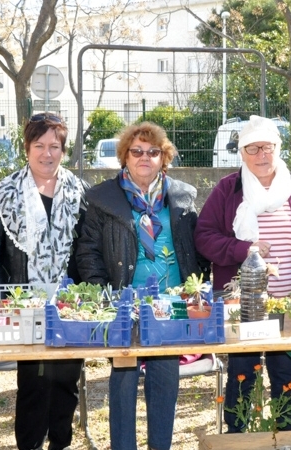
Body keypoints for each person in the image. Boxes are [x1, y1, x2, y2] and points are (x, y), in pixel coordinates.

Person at [76, 122, 209, 450]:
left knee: (165, 381)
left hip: (171, 304)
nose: (145, 157)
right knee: (123, 384)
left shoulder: (181, 196)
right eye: (137, 151)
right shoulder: (102, 199)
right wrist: (105, 298)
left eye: (153, 151)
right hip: (124, 307)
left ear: (164, 157)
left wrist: (196, 290)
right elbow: (88, 253)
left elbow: (194, 246)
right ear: (125, 156)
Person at [194, 115, 291, 432]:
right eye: (253, 149)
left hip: (289, 304)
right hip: (244, 306)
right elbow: (203, 237)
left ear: (277, 149)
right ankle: (238, 434)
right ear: (241, 153)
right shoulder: (228, 190)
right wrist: (244, 249)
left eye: (267, 147)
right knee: (243, 371)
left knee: (286, 373)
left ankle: (286, 434)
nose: (261, 155)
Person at [0, 112, 86, 450]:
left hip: (70, 305)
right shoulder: (5, 193)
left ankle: (61, 442)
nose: (47, 153)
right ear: (27, 148)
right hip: (23, 305)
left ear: (64, 150)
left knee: (67, 381)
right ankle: (29, 444)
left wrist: (84, 297)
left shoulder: (78, 191)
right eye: (39, 145)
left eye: (54, 146)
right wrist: (2, 302)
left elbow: (87, 248)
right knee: (33, 382)